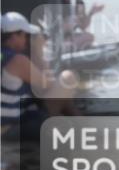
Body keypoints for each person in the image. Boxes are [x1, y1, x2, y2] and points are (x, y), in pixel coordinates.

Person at [1, 12, 74, 142]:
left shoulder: (5, 56)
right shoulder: (17, 60)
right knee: (67, 78)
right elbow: (48, 84)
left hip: (12, 122)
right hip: (9, 130)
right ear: (13, 36)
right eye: (24, 35)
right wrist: (39, 51)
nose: (26, 39)